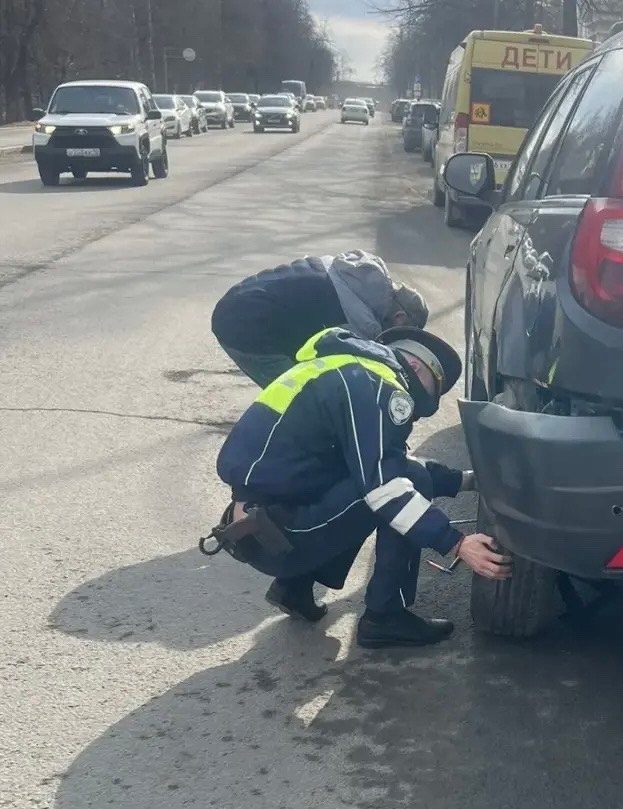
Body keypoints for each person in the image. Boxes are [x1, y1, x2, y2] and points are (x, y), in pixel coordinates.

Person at [205, 324, 510, 647]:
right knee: (402, 488)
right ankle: (386, 615)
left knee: (371, 478)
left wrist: (469, 481)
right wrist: (457, 543)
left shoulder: (344, 371)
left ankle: (295, 586)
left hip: (258, 528)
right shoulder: (379, 386)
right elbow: (387, 484)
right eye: (434, 388)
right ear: (417, 366)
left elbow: (382, 463)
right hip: (280, 536)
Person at [211, 250, 428, 388]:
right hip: (242, 326)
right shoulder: (360, 321)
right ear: (399, 317)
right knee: (299, 399)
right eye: (402, 333)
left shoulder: (355, 276)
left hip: (241, 298)